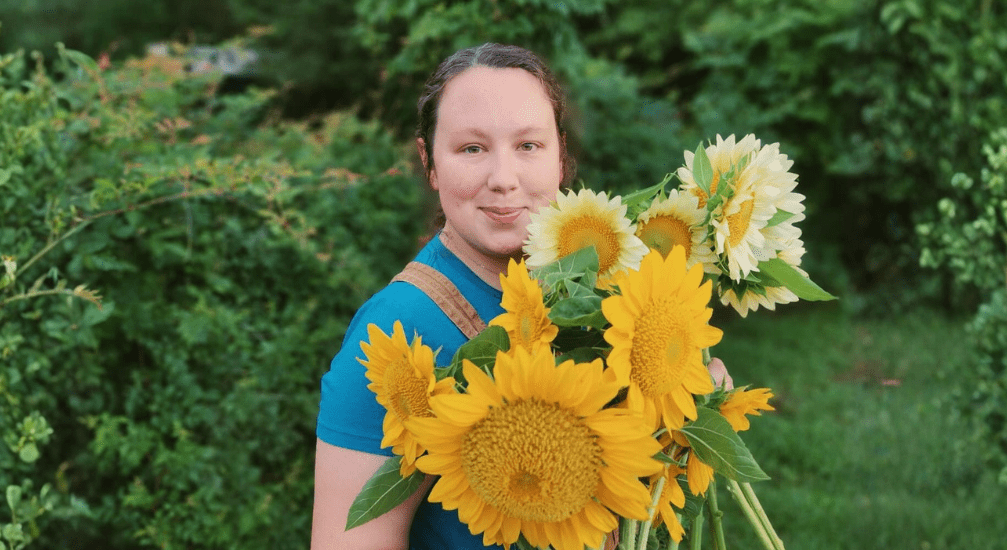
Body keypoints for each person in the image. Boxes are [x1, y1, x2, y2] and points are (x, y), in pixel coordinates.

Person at [311, 43, 732, 550]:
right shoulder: (395, 333)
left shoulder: (599, 294)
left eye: (528, 146)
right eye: (472, 149)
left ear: (560, 157)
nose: (504, 180)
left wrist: (682, 404)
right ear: (430, 163)